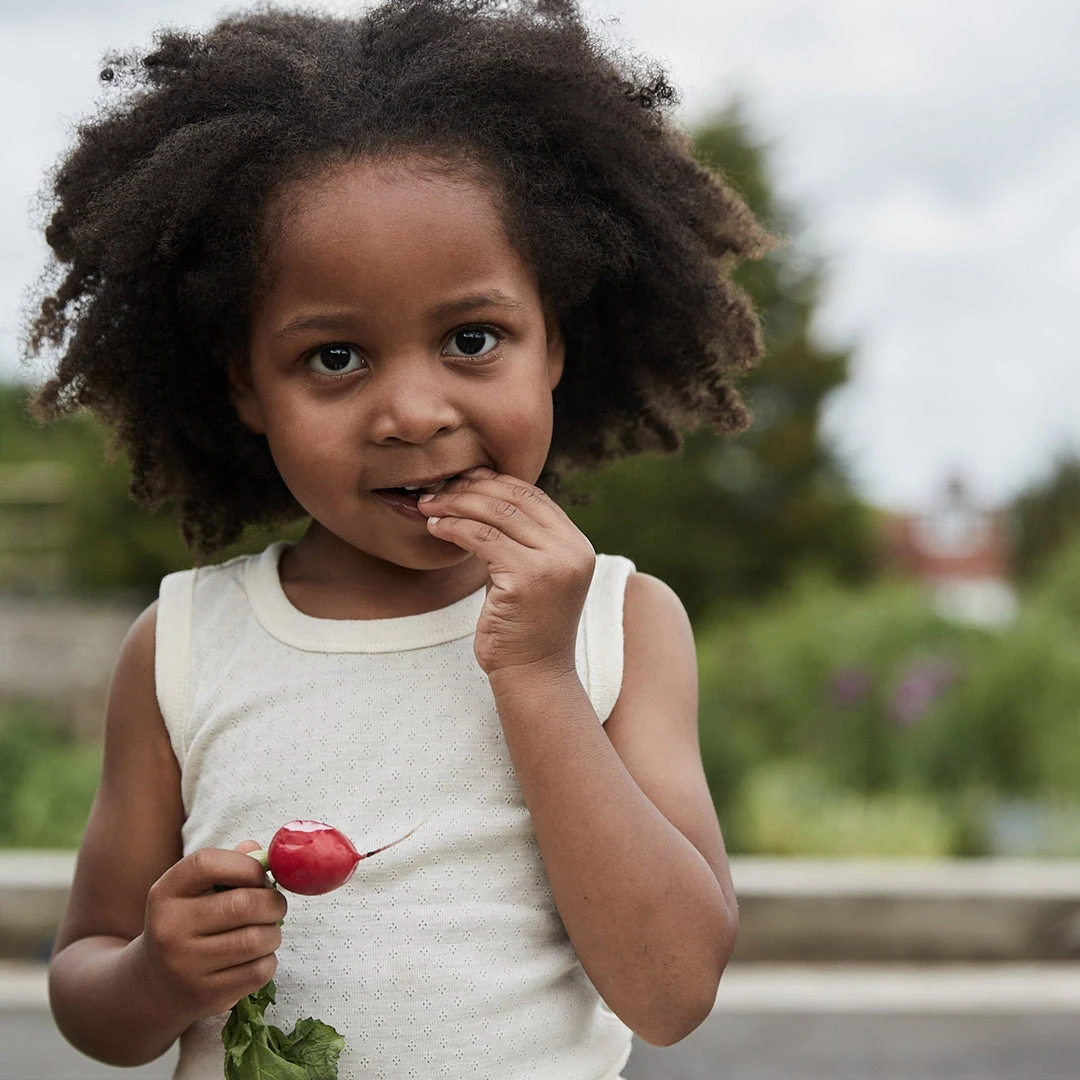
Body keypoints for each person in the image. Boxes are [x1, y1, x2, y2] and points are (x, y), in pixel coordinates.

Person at [29, 1, 773, 1076]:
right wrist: (153, 973)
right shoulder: (186, 643)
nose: (414, 412)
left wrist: (536, 673)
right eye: (335, 358)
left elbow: (669, 993)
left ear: (551, 345)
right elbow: (88, 985)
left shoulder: (622, 626)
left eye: (474, 339)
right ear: (247, 384)